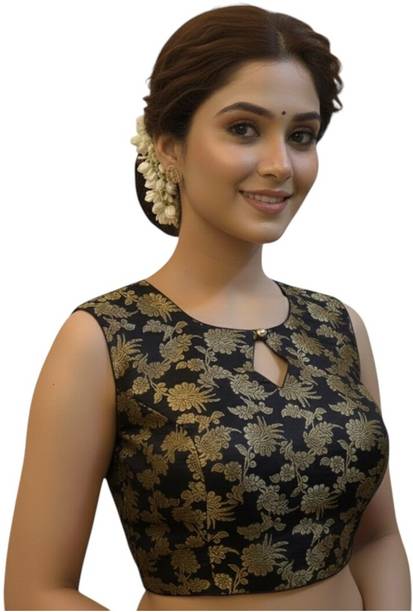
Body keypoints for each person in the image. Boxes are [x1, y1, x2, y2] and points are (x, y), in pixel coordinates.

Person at [4, 4, 410, 611]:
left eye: (301, 136)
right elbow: (35, 591)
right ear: (169, 146)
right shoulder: (104, 338)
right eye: (243, 128)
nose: (280, 164)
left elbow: (377, 540)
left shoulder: (339, 326)